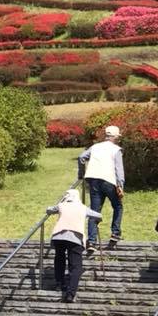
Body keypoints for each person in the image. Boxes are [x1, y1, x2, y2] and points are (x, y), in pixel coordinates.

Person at [46, 188, 102, 302]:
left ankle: (59, 283)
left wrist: (58, 204)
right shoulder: (82, 208)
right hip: (75, 237)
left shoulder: (61, 205)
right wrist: (97, 219)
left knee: (59, 259)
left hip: (59, 236)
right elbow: (98, 215)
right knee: (76, 266)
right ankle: (70, 294)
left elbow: (49, 210)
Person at [78, 125, 124, 255]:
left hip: (93, 180)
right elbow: (119, 170)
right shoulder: (116, 150)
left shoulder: (95, 147)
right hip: (109, 181)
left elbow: (82, 157)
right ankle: (115, 233)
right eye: (118, 137)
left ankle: (91, 241)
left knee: (94, 211)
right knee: (118, 206)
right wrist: (120, 186)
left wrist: (81, 174)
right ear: (115, 137)